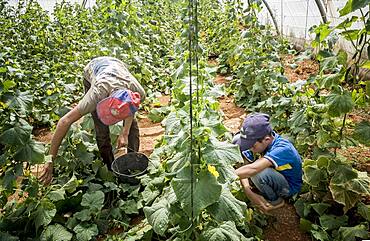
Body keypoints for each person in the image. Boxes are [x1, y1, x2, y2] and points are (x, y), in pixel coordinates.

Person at [40, 56, 146, 185]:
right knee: (101, 128)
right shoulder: (96, 95)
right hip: (93, 70)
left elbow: (132, 107)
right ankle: (110, 169)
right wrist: (50, 160)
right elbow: (64, 121)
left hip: (116, 66)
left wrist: (125, 133)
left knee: (132, 126)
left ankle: (133, 163)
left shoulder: (137, 91)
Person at [233, 113, 302, 212]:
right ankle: (258, 186)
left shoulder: (283, 149)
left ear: (267, 139)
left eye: (252, 145)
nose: (249, 147)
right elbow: (247, 165)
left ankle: (275, 201)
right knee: (236, 141)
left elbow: (253, 169)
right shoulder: (259, 143)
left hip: (287, 186)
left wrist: (225, 177)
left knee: (259, 174)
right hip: (271, 174)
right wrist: (248, 190)